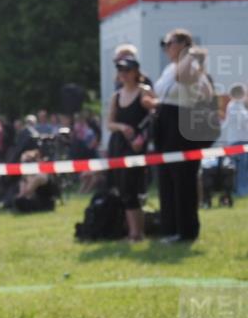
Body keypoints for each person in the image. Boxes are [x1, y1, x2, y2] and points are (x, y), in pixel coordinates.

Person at [146, 29, 214, 242]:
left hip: (182, 127)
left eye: (170, 42)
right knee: (166, 179)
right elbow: (163, 92)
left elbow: (182, 78)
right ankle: (170, 228)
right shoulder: (168, 68)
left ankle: (186, 231)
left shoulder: (191, 65)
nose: (166, 47)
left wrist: (190, 54)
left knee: (183, 179)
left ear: (183, 44)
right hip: (165, 124)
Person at [106, 55, 153, 241]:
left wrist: (141, 137)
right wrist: (122, 127)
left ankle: (136, 232)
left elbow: (153, 117)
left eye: (127, 70)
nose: (123, 74)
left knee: (131, 187)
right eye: (120, 71)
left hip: (136, 147)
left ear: (135, 72)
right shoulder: (116, 96)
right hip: (119, 145)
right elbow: (109, 123)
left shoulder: (144, 92)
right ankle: (133, 231)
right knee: (123, 188)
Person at [222, 84, 248, 197]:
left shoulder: (236, 106)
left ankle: (240, 189)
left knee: (240, 168)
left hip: (237, 140)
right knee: (241, 168)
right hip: (239, 141)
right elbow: (243, 122)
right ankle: (241, 191)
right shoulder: (235, 106)